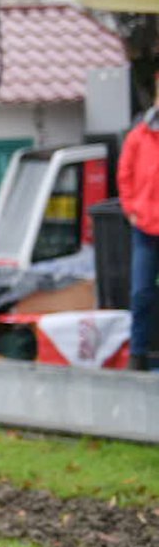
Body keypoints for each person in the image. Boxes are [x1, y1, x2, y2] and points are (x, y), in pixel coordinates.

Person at [118, 77, 159, 371]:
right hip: (145, 227)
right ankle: (138, 352)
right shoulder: (139, 136)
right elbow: (125, 175)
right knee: (141, 291)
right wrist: (132, 209)